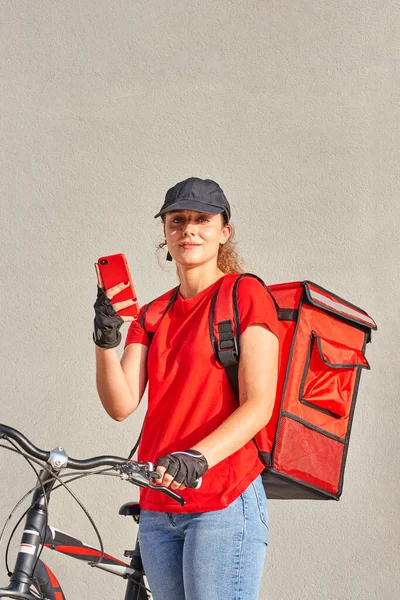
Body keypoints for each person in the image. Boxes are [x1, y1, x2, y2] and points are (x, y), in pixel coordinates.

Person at [93, 177, 279, 600]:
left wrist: (199, 456)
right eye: (177, 221)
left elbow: (259, 404)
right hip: (159, 507)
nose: (189, 230)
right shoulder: (153, 313)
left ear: (223, 232)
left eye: (202, 220)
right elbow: (121, 404)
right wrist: (105, 340)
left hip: (221, 498)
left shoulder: (244, 294)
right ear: (164, 232)